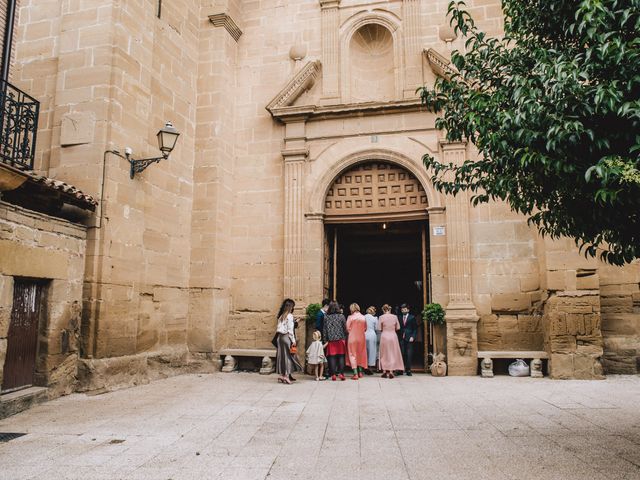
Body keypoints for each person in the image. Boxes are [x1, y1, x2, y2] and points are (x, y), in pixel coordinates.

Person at [275, 298, 302, 384]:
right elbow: (290, 330)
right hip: (286, 337)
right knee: (288, 357)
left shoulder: (281, 316)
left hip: (280, 337)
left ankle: (282, 375)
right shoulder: (289, 316)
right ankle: (286, 376)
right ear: (291, 307)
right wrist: (293, 340)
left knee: (282, 357)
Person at [322, 301, 348, 381]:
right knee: (341, 356)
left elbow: (324, 330)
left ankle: (333, 375)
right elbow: (345, 328)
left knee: (332, 357)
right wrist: (345, 337)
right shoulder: (342, 316)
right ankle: (341, 374)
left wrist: (325, 340)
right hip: (340, 339)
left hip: (331, 340)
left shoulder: (326, 317)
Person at [378, 304, 404, 378]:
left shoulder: (381, 317)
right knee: (392, 353)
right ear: (390, 309)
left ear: (383, 310)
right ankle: (391, 371)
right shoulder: (394, 317)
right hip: (393, 336)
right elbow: (398, 327)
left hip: (384, 336)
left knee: (384, 353)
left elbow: (379, 328)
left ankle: (384, 371)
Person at [346, 303, 367, 380]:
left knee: (352, 354)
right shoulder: (363, 317)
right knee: (360, 354)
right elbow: (365, 328)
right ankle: (360, 372)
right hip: (361, 337)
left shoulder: (350, 317)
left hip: (352, 337)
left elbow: (347, 328)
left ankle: (355, 373)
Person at [398, 303, 418, 376]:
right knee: (402, 353)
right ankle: (400, 369)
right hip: (401, 338)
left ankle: (408, 370)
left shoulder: (412, 317)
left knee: (409, 354)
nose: (403, 310)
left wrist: (413, 337)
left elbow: (415, 328)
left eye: (405, 309)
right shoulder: (399, 317)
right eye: (402, 309)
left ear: (408, 310)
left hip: (409, 338)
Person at [364, 306, 378, 375]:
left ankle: (364, 366)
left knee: (364, 351)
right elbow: (377, 328)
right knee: (372, 351)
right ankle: (370, 367)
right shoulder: (374, 318)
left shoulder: (363, 317)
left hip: (364, 334)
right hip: (372, 334)